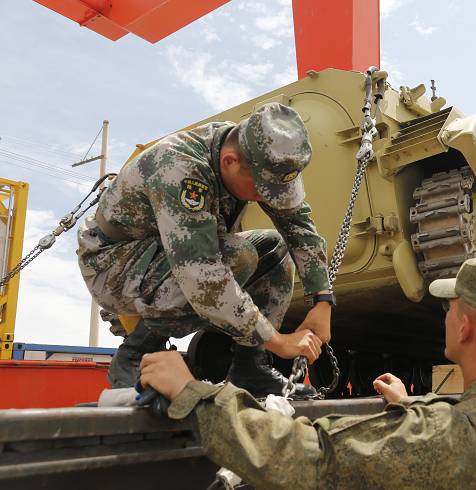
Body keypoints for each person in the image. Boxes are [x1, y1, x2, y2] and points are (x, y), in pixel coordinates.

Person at [139, 257, 476, 489]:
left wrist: (194, 395)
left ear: (465, 326)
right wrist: (413, 410)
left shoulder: (451, 441)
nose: (446, 318)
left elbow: (312, 458)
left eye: (450, 309)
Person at [77, 102, 335, 397]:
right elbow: (203, 276)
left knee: (275, 249)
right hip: (113, 265)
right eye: (263, 189)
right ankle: (137, 354)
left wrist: (323, 299)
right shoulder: (179, 167)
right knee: (238, 258)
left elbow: (298, 226)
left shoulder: (253, 157)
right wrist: (278, 341)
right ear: (230, 162)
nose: (270, 198)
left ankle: (250, 368)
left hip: (171, 256)